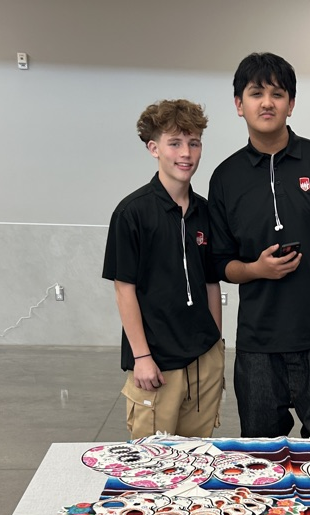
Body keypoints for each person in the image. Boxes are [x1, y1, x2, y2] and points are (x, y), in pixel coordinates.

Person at [208, 52, 310, 439]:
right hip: (259, 343)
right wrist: (256, 270)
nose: (267, 102)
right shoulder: (226, 177)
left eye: (278, 93)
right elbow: (221, 263)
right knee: (260, 460)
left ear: (291, 104)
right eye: (256, 93)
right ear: (239, 105)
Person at [102, 99, 224, 440]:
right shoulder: (132, 213)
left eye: (194, 142)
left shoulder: (206, 212)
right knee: (153, 465)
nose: (186, 153)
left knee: (199, 457)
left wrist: (215, 344)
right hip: (156, 362)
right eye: (175, 143)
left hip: (203, 362)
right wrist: (141, 356)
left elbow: (212, 282)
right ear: (153, 148)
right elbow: (124, 289)